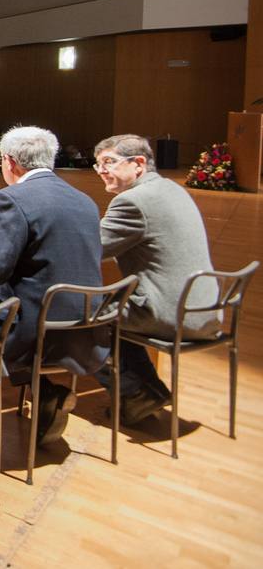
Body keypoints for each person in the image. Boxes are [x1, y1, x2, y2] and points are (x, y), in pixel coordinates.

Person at [0, 126, 103, 447]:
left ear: (9, 161)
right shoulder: (84, 199)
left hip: (34, 329)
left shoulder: (10, 199)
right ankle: (46, 393)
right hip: (87, 323)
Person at [91, 134, 223, 425]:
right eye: (98, 164)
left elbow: (91, 250)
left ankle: (136, 393)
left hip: (171, 313)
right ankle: (144, 390)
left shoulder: (132, 202)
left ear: (139, 164)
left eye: (109, 163)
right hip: (205, 308)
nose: (101, 171)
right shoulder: (171, 189)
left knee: (82, 315)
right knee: (109, 306)